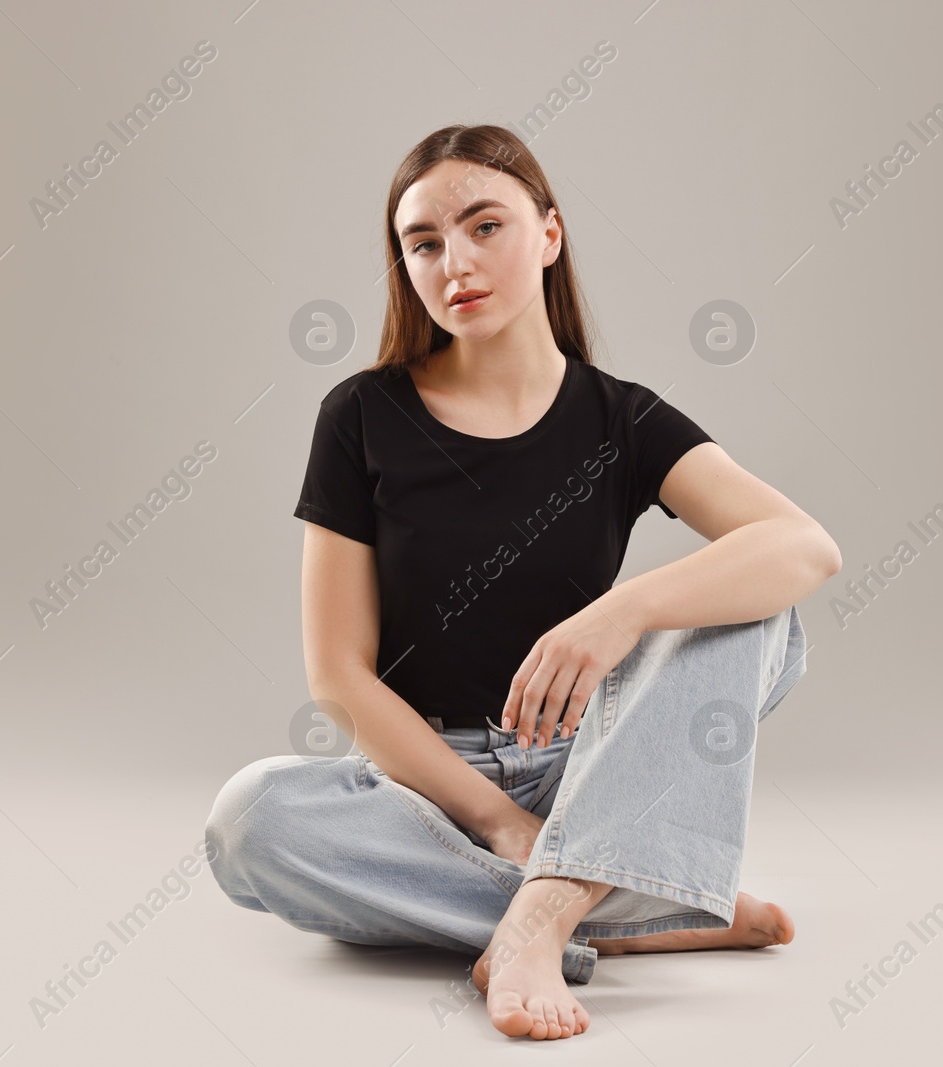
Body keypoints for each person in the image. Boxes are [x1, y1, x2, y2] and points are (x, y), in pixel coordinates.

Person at [204, 124, 841, 1041]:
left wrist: (622, 613)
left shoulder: (623, 418)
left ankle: (552, 910)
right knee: (250, 821)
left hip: (599, 765)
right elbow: (338, 674)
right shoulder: (361, 415)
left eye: (483, 226)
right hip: (426, 789)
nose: (453, 261)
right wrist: (500, 823)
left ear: (549, 234)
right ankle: (622, 900)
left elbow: (804, 545)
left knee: (764, 618)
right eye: (422, 243)